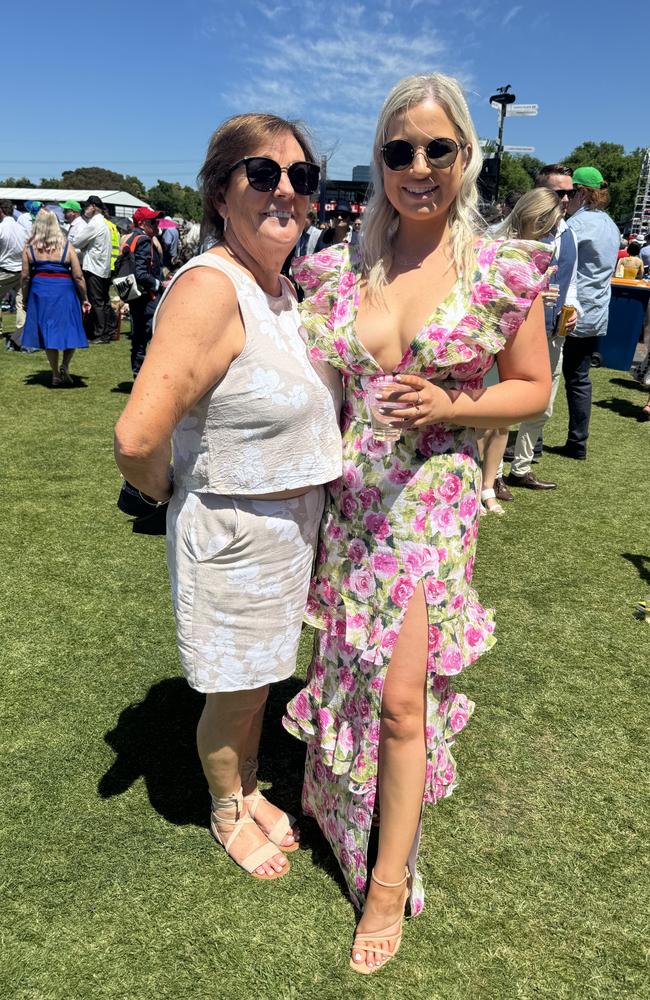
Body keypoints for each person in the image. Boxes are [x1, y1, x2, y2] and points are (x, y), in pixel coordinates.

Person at [283, 72, 552, 975]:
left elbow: (533, 386)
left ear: (467, 154)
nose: (419, 167)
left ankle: (389, 881)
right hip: (353, 501)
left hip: (430, 510)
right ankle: (336, 803)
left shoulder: (500, 269)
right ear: (381, 161)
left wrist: (453, 400)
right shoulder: (342, 263)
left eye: (439, 148)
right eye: (400, 151)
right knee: (345, 671)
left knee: (403, 700)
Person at [114, 113, 341, 882]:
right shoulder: (212, 287)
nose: (286, 190)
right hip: (236, 531)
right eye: (263, 173)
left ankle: (247, 785)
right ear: (220, 191)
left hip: (287, 531)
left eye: (301, 177)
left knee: (260, 681)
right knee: (235, 689)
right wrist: (174, 494)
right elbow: (137, 438)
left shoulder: (279, 290)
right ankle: (224, 805)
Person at [501, 188, 580, 491]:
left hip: (554, 331)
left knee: (543, 405)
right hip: (514, 333)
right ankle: (492, 477)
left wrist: (574, 311)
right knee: (505, 404)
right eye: (559, 191)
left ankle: (520, 468)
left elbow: (572, 281)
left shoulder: (569, 234)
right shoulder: (508, 237)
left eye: (570, 192)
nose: (565, 198)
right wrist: (532, 296)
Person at [560, 166, 619, 460]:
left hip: (571, 311)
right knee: (579, 378)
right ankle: (577, 442)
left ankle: (530, 444)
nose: (565, 198)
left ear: (581, 192)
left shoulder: (577, 224)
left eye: (569, 192)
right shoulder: (611, 224)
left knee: (552, 375)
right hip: (597, 312)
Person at [20, 209, 89, 385]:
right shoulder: (67, 246)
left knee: (48, 331)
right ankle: (65, 365)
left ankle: (55, 374)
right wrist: (85, 298)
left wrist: (26, 298)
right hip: (64, 290)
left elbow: (25, 277)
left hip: (40, 291)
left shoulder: (29, 248)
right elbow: (78, 276)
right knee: (70, 328)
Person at [123, 207, 165, 377]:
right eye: (153, 222)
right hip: (148, 297)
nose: (157, 225)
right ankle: (144, 376)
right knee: (152, 337)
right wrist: (159, 283)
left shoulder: (130, 238)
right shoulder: (144, 241)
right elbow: (141, 274)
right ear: (142, 223)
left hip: (136, 296)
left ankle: (138, 375)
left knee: (139, 338)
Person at [68, 195, 114, 343]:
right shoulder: (104, 223)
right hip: (103, 267)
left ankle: (100, 334)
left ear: (93, 207)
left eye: (86, 207)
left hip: (94, 268)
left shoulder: (94, 224)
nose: (84, 210)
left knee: (97, 302)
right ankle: (107, 332)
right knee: (104, 302)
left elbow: (76, 241)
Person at [0, 200, 27, 350]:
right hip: (22, 271)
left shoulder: (1, 228)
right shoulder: (22, 229)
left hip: (5, 271)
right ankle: (20, 335)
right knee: (21, 304)